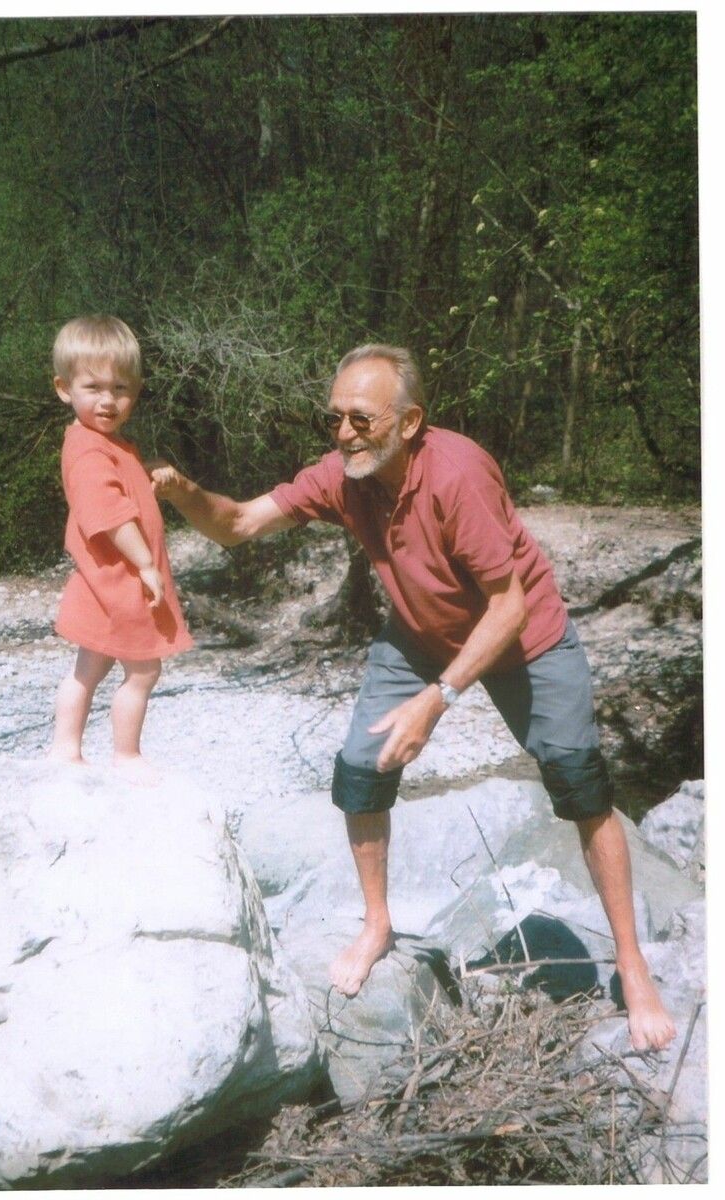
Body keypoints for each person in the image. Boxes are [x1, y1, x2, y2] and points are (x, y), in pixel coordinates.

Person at [151, 342, 676, 1051]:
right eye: (334, 418)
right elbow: (238, 523)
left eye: (361, 420)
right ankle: (377, 924)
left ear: (409, 421)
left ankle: (634, 965)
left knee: (581, 786)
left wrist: (438, 700)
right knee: (360, 770)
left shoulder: (456, 475)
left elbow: (508, 606)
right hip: (421, 632)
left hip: (526, 638)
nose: (344, 434)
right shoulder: (346, 478)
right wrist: (183, 493)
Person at [48, 315, 192, 781]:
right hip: (121, 582)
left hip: (102, 582)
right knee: (144, 670)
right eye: (93, 387)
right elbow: (108, 513)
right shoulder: (90, 450)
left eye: (121, 388)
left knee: (88, 668)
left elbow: (121, 483)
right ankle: (125, 756)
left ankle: (65, 751)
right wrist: (147, 564)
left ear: (137, 389)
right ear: (64, 388)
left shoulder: (101, 443)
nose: (108, 400)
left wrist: (149, 470)